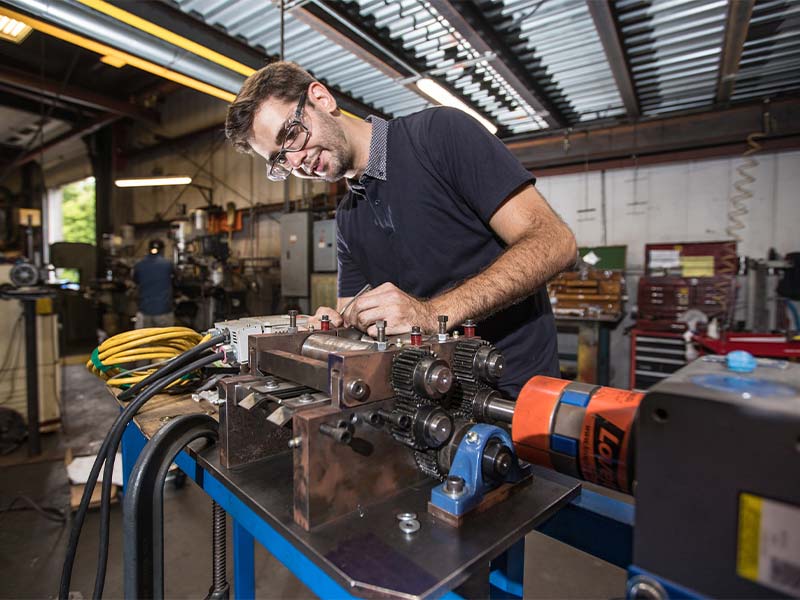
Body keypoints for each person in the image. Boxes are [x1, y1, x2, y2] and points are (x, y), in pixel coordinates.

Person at [225, 62, 577, 397]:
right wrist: (336, 324)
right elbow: (356, 311)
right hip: (429, 401)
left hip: (516, 394)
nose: (295, 161)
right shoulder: (349, 217)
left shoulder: (440, 135)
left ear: (321, 98)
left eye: (290, 134)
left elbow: (555, 242)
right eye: (278, 159)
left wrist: (429, 315)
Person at [132, 239, 174, 329]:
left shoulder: (139, 265)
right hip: (164, 310)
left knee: (145, 341)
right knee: (165, 341)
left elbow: (135, 282)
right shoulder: (168, 265)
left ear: (148, 249)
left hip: (144, 311)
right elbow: (175, 281)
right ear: (163, 250)